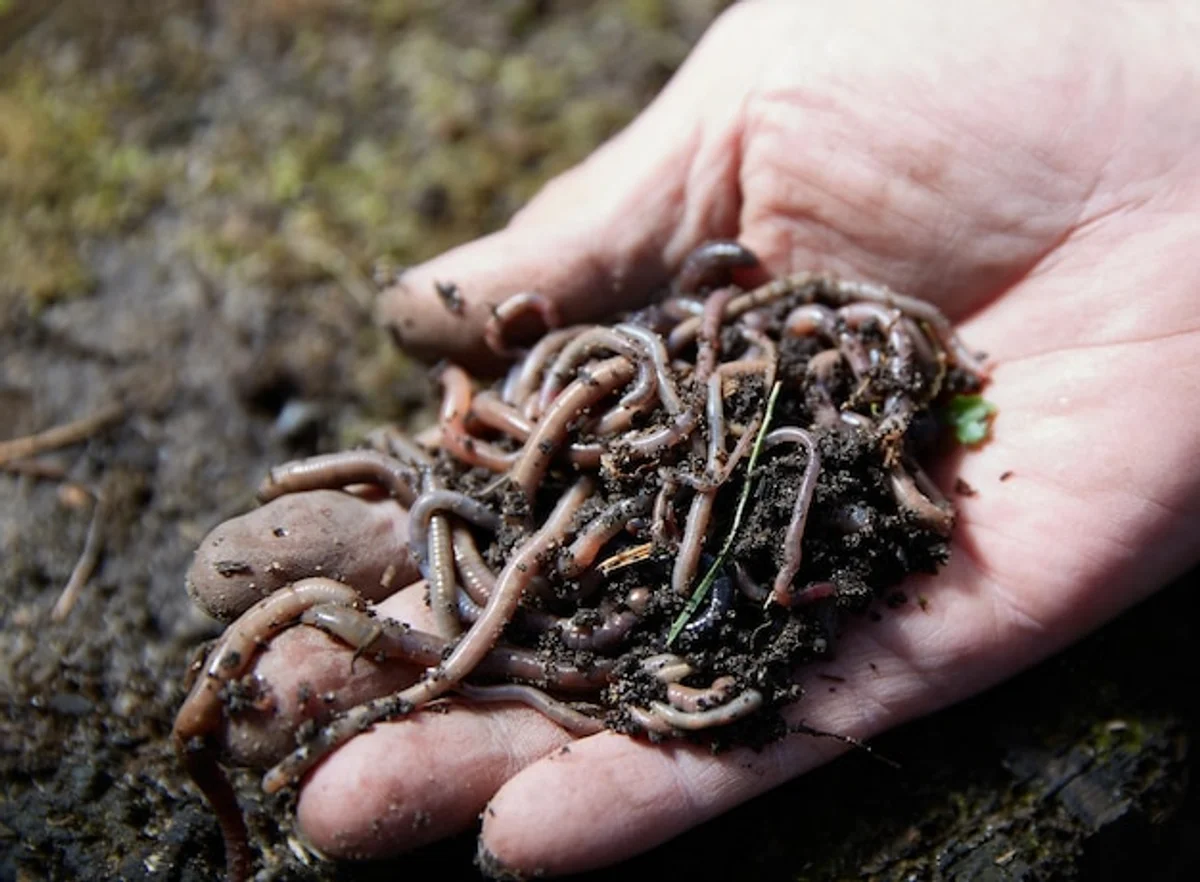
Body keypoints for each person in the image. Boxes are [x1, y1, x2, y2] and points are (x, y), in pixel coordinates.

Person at [189, 0, 1200, 875]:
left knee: (724, 505)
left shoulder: (816, 395)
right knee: (519, 600)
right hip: (596, 530)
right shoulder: (605, 414)